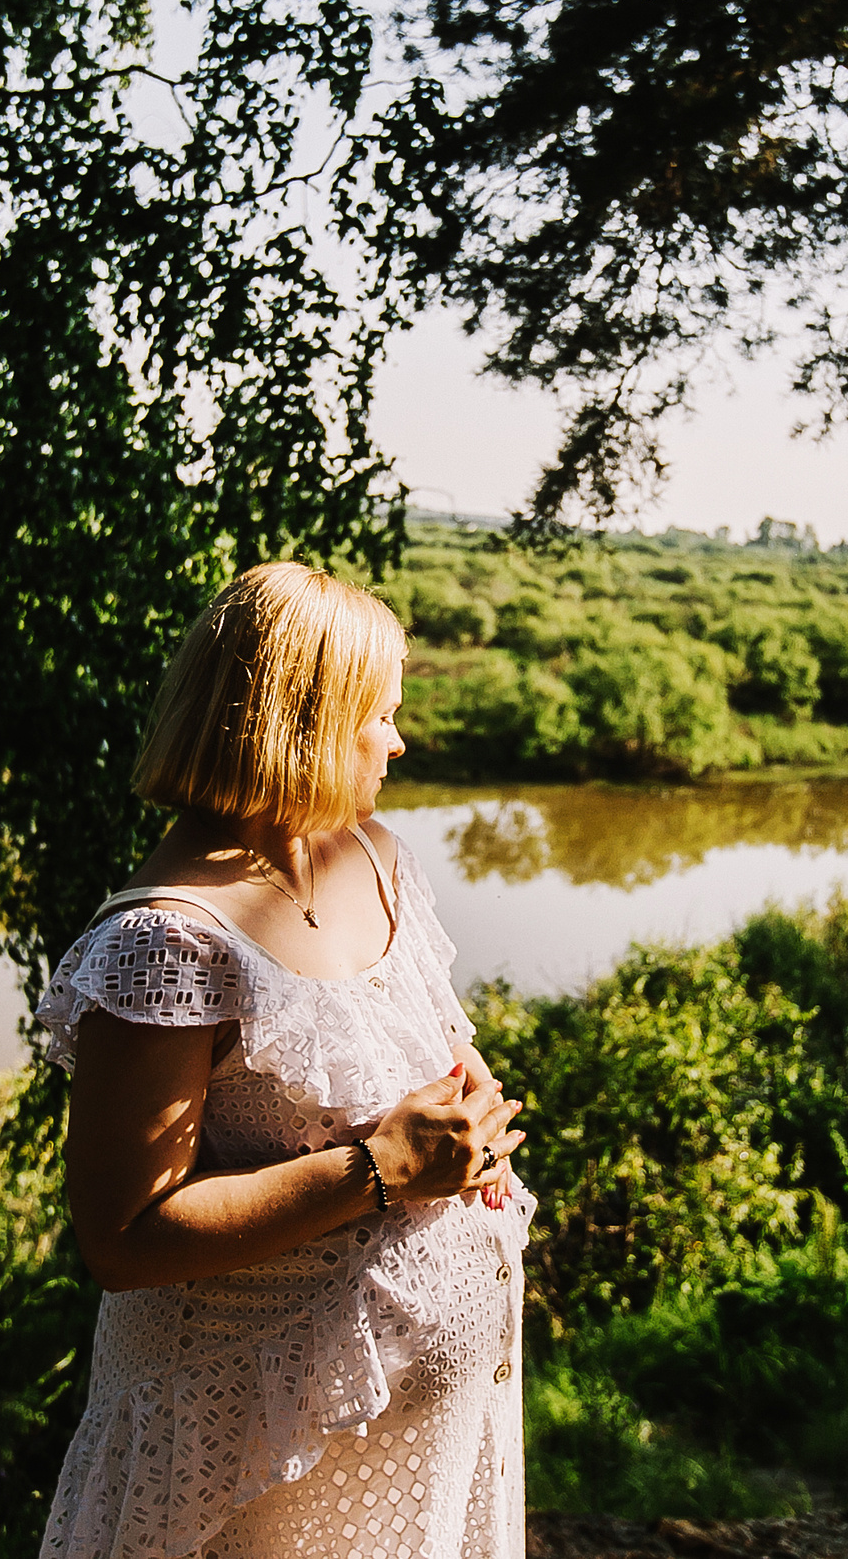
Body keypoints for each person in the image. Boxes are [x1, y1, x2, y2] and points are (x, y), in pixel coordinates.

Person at [34, 562, 532, 1559]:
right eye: (379, 715)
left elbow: (439, 1047)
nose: (398, 739)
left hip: (430, 1446)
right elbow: (123, 1237)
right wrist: (380, 1169)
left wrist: (469, 1112)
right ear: (302, 724)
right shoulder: (164, 942)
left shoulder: (375, 856)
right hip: (252, 1459)